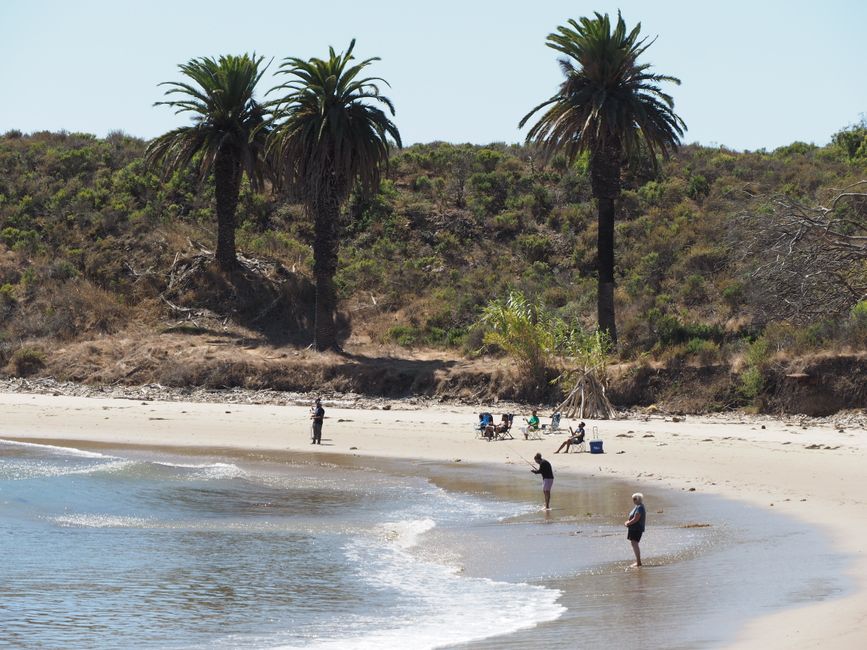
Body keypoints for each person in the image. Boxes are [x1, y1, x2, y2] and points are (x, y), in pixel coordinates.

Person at [625, 492, 646, 567]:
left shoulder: (640, 507)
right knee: (634, 544)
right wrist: (628, 522)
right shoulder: (637, 506)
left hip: (636, 529)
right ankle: (638, 562)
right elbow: (633, 517)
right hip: (634, 528)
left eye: (634, 499)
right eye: (633, 499)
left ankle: (638, 562)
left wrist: (628, 523)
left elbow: (636, 518)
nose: (633, 500)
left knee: (634, 544)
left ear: (638, 499)